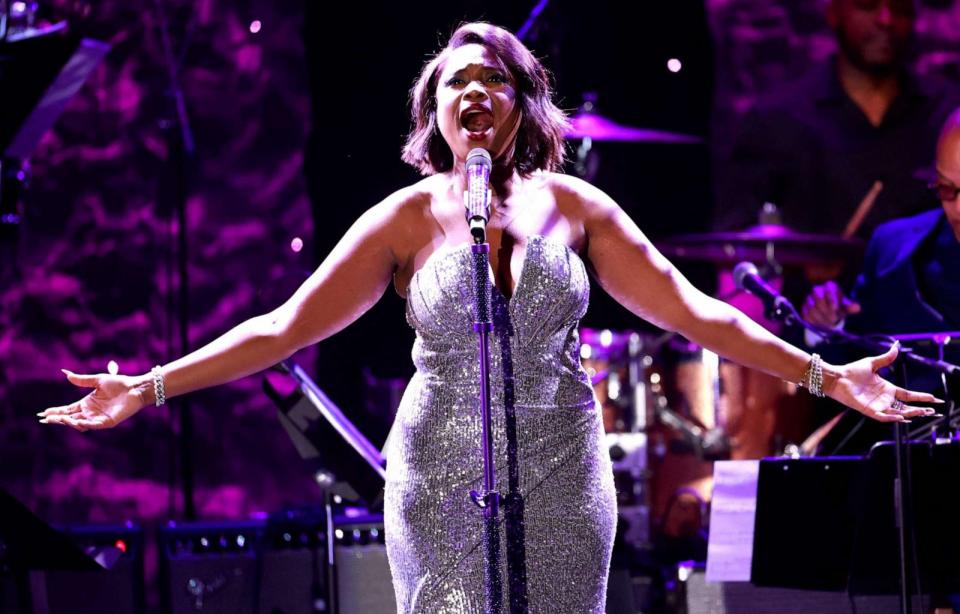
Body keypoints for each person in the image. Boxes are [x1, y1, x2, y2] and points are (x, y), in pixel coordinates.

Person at [38, 22, 939, 613]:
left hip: (563, 477)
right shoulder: (403, 218)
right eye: (454, 82)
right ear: (434, 110)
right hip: (436, 480)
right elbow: (284, 326)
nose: (472, 93)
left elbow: (694, 309)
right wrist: (148, 386)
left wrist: (824, 376)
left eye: (491, 80)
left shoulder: (575, 207)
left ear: (520, 103)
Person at [714, 0, 960, 239]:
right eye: (867, 6)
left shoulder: (947, 114)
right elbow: (737, 241)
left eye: (900, 8)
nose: (886, 20)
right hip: (813, 281)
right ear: (833, 13)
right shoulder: (777, 119)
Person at [803, 106, 960, 402]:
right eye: (946, 188)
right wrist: (829, 325)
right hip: (912, 442)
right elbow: (849, 368)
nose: (958, 208)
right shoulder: (892, 249)